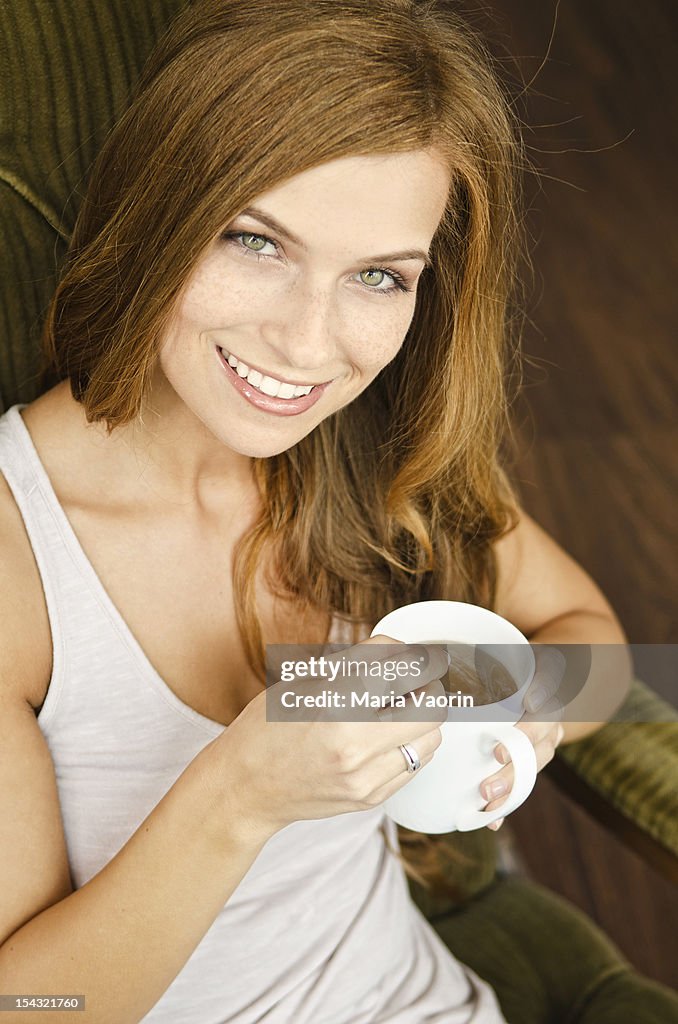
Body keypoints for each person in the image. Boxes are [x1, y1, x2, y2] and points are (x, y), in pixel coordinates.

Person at [0, 0, 632, 1021]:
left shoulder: (378, 451)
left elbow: (592, 644)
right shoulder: (19, 559)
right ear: (155, 209)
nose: (306, 343)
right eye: (256, 241)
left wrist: (513, 705)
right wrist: (244, 790)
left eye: (379, 275)